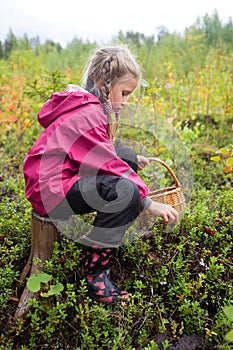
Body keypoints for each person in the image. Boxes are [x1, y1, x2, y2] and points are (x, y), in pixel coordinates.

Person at [23, 45, 178, 304]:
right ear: (101, 82)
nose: (126, 101)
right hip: (49, 191)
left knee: (125, 154)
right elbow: (106, 163)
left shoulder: (86, 105)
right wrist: (148, 202)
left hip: (53, 179)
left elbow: (97, 153)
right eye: (125, 93)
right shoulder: (89, 113)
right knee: (126, 192)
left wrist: (129, 161)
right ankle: (95, 272)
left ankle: (108, 226)